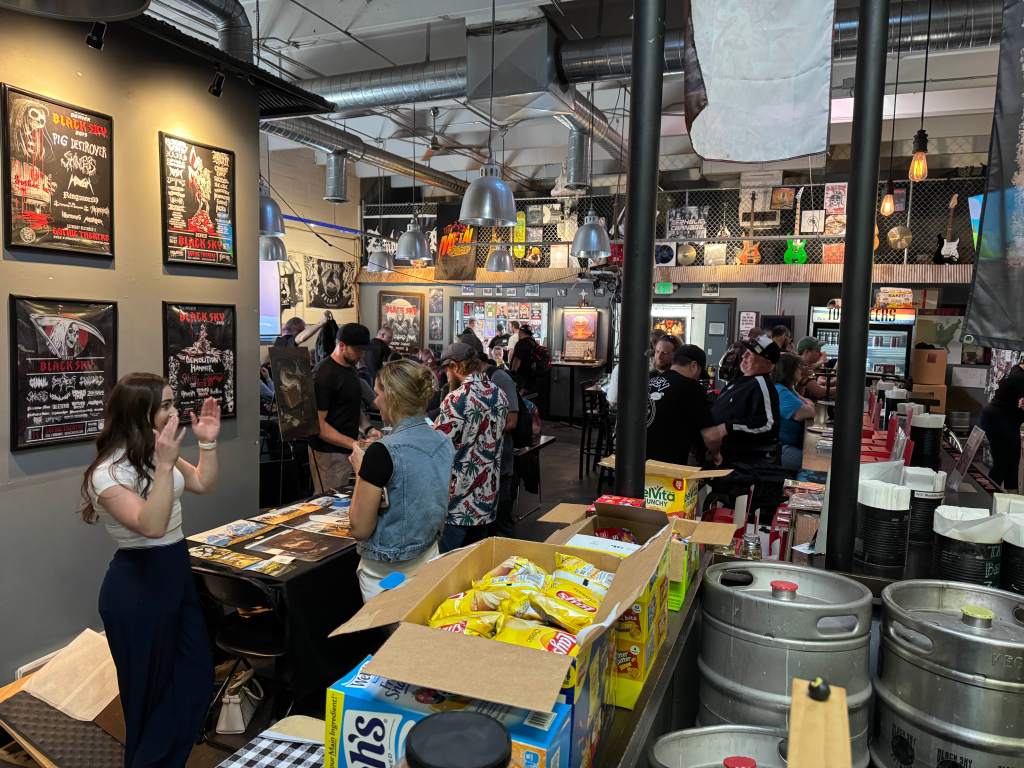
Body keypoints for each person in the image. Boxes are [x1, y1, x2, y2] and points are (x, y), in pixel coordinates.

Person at [80, 373, 220, 767]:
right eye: (166, 405)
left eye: (174, 403)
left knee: (195, 678)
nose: (175, 412)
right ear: (140, 411)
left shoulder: (155, 452)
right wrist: (164, 466)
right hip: (139, 586)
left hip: (175, 573)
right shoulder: (107, 473)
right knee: (149, 698)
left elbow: (202, 483)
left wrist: (207, 443)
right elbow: (152, 525)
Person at [348, 360, 455, 601]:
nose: (375, 402)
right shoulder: (443, 440)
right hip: (428, 559)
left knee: (390, 623)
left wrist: (361, 471)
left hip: (386, 574)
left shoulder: (383, 452)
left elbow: (360, 528)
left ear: (392, 397)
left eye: (377, 394)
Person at [434, 343, 509, 551]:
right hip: (487, 499)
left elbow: (438, 445)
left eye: (446, 369)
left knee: (445, 563)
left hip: (458, 503)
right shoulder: (499, 394)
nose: (446, 375)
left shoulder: (457, 398)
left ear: (455, 366)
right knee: (473, 562)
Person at [703, 333, 781, 468]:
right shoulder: (739, 380)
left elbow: (769, 424)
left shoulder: (761, 384)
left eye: (750, 354)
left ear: (767, 363)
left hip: (739, 462)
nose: (744, 356)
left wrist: (727, 428)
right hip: (717, 454)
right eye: (746, 352)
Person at [309, 323, 370, 492]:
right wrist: (354, 443)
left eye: (363, 350)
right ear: (342, 345)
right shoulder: (324, 375)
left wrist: (368, 428)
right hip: (329, 454)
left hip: (347, 449)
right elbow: (319, 425)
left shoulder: (350, 368)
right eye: (357, 349)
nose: (361, 354)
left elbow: (351, 405)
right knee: (330, 501)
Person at [647, 345, 714, 466]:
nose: (697, 378)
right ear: (694, 366)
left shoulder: (651, 381)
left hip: (633, 462)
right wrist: (716, 454)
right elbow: (710, 436)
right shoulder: (691, 387)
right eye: (699, 374)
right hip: (664, 468)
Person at [485, 357, 520, 538]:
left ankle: (508, 550)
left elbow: (512, 422)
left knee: (502, 514)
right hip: (483, 465)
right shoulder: (467, 385)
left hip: (501, 459)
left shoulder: (500, 378)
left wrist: (481, 431)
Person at [979, 358, 1024, 490]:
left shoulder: (1015, 370)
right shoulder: (1019, 377)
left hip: (1002, 420)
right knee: (1002, 464)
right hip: (999, 421)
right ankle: (988, 495)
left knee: (1012, 462)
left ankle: (1011, 496)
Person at [774, 353, 816, 471]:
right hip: (782, 450)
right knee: (816, 463)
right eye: (798, 367)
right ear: (789, 370)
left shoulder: (788, 389)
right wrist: (808, 405)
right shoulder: (781, 392)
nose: (801, 370)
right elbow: (808, 411)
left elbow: (807, 403)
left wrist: (808, 404)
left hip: (790, 445)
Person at [510, 325, 539, 391]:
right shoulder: (534, 342)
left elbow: (517, 359)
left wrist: (513, 373)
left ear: (521, 332)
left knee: (520, 394)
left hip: (521, 376)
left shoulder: (521, 343)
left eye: (519, 332)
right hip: (532, 375)